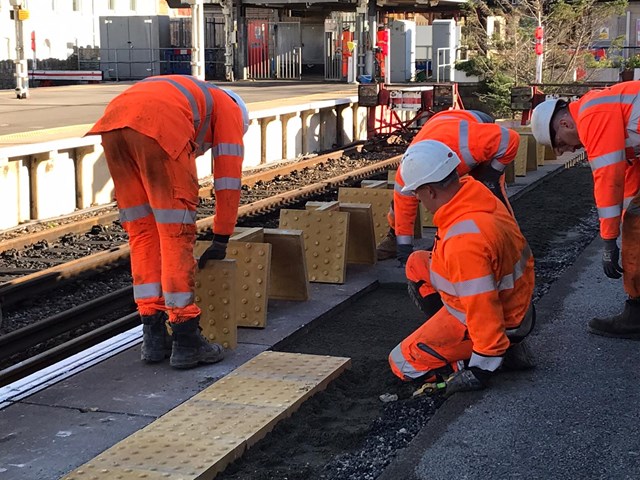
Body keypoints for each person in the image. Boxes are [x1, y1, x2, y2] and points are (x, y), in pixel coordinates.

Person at [86, 75, 249, 369]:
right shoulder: (230, 109)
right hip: (159, 124)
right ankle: (187, 339)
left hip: (114, 124)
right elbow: (228, 180)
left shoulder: (195, 96)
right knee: (175, 233)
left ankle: (153, 335)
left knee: (142, 232)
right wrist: (222, 237)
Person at [388, 140, 536, 396]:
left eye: (417, 193)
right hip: (517, 304)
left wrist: (481, 368)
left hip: (501, 320)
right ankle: (460, 336)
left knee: (403, 362)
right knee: (416, 264)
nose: (418, 200)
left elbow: (483, 307)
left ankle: (475, 355)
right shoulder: (475, 195)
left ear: (431, 191)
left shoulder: (463, 242)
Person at [531, 84, 640, 339]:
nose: (566, 151)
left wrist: (609, 241)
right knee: (634, 221)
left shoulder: (592, 116)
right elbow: (629, 178)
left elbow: (608, 177)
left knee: (635, 226)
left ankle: (636, 314)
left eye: (559, 144)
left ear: (566, 124)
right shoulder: (601, 106)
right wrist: (618, 226)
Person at [377, 109, 521, 264]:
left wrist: (491, 174)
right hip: (440, 128)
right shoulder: (407, 176)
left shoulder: (470, 146)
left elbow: (511, 139)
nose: (418, 198)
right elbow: (402, 212)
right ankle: (393, 239)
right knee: (399, 207)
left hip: (474, 121)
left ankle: (508, 240)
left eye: (421, 194)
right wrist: (404, 250)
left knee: (493, 194)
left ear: (431, 190)